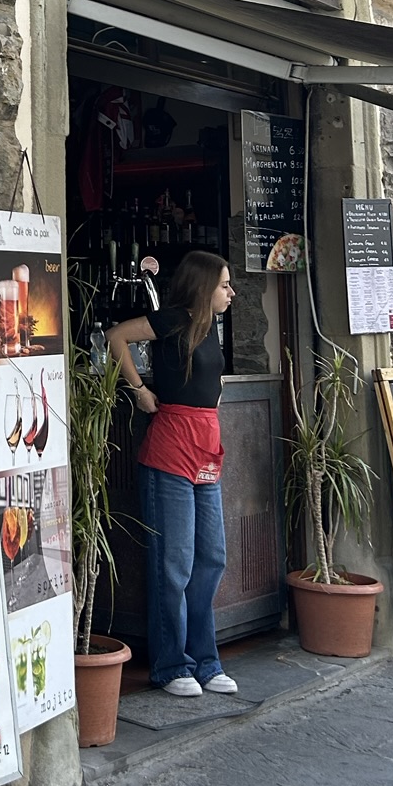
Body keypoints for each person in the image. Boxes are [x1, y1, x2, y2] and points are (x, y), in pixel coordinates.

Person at [108, 250, 238, 700]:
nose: (231, 293)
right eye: (224, 285)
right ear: (204, 286)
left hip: (206, 450)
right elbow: (116, 337)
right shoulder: (173, 319)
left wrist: (213, 399)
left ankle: (206, 661)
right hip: (170, 452)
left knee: (212, 557)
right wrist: (140, 391)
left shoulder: (211, 326)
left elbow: (212, 380)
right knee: (175, 563)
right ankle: (171, 664)